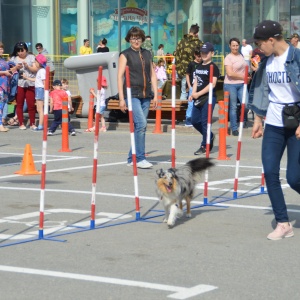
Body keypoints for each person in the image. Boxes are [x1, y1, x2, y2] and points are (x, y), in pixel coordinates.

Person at [248, 20, 300, 240]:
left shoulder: (296, 57)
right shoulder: (267, 62)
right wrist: (258, 118)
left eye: (260, 43)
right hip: (274, 124)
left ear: (272, 39)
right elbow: (263, 91)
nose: (259, 48)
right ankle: (282, 223)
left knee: (294, 178)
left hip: (296, 124)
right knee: (270, 171)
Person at [117, 26, 158, 169]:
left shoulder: (147, 53)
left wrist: (156, 95)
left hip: (146, 95)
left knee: (139, 127)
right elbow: (120, 76)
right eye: (133, 38)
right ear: (129, 39)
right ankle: (139, 158)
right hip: (132, 94)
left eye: (138, 38)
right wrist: (122, 99)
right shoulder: (125, 54)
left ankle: (131, 157)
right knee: (141, 124)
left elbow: (152, 74)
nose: (136, 40)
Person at [191, 42, 220, 155]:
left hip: (208, 97)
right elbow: (196, 81)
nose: (203, 54)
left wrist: (199, 94)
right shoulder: (198, 66)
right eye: (202, 52)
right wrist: (193, 93)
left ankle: (205, 145)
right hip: (198, 97)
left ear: (212, 53)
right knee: (194, 120)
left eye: (206, 53)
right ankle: (210, 136)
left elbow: (212, 84)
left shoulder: (213, 67)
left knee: (205, 122)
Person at [224, 37, 250, 136]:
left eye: (237, 45)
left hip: (242, 84)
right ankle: (234, 128)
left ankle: (242, 118)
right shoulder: (228, 58)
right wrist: (244, 77)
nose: (235, 47)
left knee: (246, 104)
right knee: (233, 106)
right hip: (231, 84)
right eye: (233, 46)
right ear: (230, 46)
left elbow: (245, 68)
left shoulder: (241, 55)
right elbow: (230, 73)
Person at [9, 41, 38, 130]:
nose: (21, 53)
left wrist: (27, 66)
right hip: (19, 83)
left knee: (31, 104)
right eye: (19, 51)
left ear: (26, 49)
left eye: (23, 50)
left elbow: (35, 69)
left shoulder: (31, 57)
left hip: (30, 82)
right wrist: (16, 67)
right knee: (19, 104)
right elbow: (9, 71)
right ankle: (21, 123)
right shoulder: (13, 58)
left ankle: (32, 123)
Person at [175, 24, 203, 100]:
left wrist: (178, 69)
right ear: (196, 33)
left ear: (189, 31)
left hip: (183, 70)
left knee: (183, 92)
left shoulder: (181, 42)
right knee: (195, 92)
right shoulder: (199, 43)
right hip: (195, 71)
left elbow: (177, 56)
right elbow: (202, 57)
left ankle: (183, 110)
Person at [23, 54, 47, 131]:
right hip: (38, 89)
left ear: (39, 63)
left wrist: (46, 92)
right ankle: (40, 125)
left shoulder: (42, 71)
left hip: (40, 90)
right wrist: (27, 78)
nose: (34, 63)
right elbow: (36, 80)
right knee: (38, 108)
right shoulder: (40, 71)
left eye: (35, 61)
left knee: (40, 109)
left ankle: (40, 125)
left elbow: (44, 82)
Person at [185, 46, 202, 126]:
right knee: (191, 104)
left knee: (199, 103)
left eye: (201, 56)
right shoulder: (191, 64)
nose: (200, 58)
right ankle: (188, 119)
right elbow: (187, 75)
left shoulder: (202, 63)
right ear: (195, 55)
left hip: (200, 87)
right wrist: (189, 85)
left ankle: (197, 119)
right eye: (198, 56)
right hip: (192, 86)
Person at [0, 42, 12, 132]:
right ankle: (0, 125)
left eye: (2, 48)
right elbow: (4, 71)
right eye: (0, 48)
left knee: (3, 104)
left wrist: (15, 68)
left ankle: (1, 124)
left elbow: (7, 70)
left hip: (5, 84)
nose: (2, 50)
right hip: (0, 85)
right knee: (0, 105)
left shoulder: (2, 59)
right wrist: (4, 73)